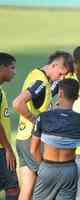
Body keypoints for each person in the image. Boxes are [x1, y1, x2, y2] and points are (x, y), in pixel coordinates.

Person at [12, 51, 73, 200]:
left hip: (21, 139)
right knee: (49, 184)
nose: (62, 78)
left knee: (26, 190)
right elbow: (17, 103)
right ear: (54, 65)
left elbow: (41, 98)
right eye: (61, 74)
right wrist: (35, 121)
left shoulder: (36, 74)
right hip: (32, 140)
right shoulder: (41, 82)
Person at [30, 78, 80, 200]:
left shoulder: (44, 117)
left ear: (60, 93)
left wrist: (42, 167)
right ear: (77, 96)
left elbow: (33, 149)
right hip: (69, 170)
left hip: (47, 167)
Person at [0, 53, 19, 200]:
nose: (14, 72)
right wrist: (8, 149)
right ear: (2, 68)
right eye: (12, 68)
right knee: (12, 188)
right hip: (1, 149)